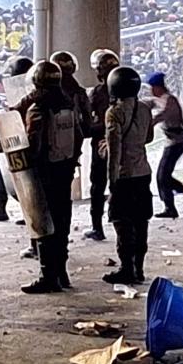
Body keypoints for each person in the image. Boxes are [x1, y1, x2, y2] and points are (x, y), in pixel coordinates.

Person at [19, 60, 83, 294]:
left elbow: (34, 142)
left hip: (45, 171)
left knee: (44, 223)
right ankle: (61, 272)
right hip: (65, 168)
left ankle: (48, 275)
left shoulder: (38, 108)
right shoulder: (68, 104)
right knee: (62, 220)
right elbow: (78, 135)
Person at [101, 66, 155, 285]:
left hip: (124, 175)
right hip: (143, 172)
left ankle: (126, 268)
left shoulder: (114, 112)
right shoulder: (144, 108)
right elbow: (149, 137)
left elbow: (115, 150)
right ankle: (139, 267)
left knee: (122, 222)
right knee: (141, 221)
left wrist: (111, 179)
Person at [0, 55, 33, 224]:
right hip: (17, 135)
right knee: (4, 166)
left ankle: (28, 210)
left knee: (25, 176)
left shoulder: (30, 90)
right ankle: (0, 205)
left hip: (28, 138)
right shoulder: (24, 88)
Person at [147, 72, 183, 219]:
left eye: (152, 87)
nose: (151, 91)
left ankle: (170, 208)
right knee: (165, 175)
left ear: (158, 88)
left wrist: (145, 124)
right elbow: (148, 104)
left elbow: (159, 117)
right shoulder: (160, 99)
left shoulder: (169, 101)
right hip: (172, 141)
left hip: (177, 141)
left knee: (162, 176)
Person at [84, 49, 120, 242]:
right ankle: (116, 219)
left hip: (101, 144)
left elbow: (92, 121)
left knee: (98, 185)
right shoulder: (126, 90)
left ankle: (97, 226)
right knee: (118, 184)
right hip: (124, 145)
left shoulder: (98, 92)